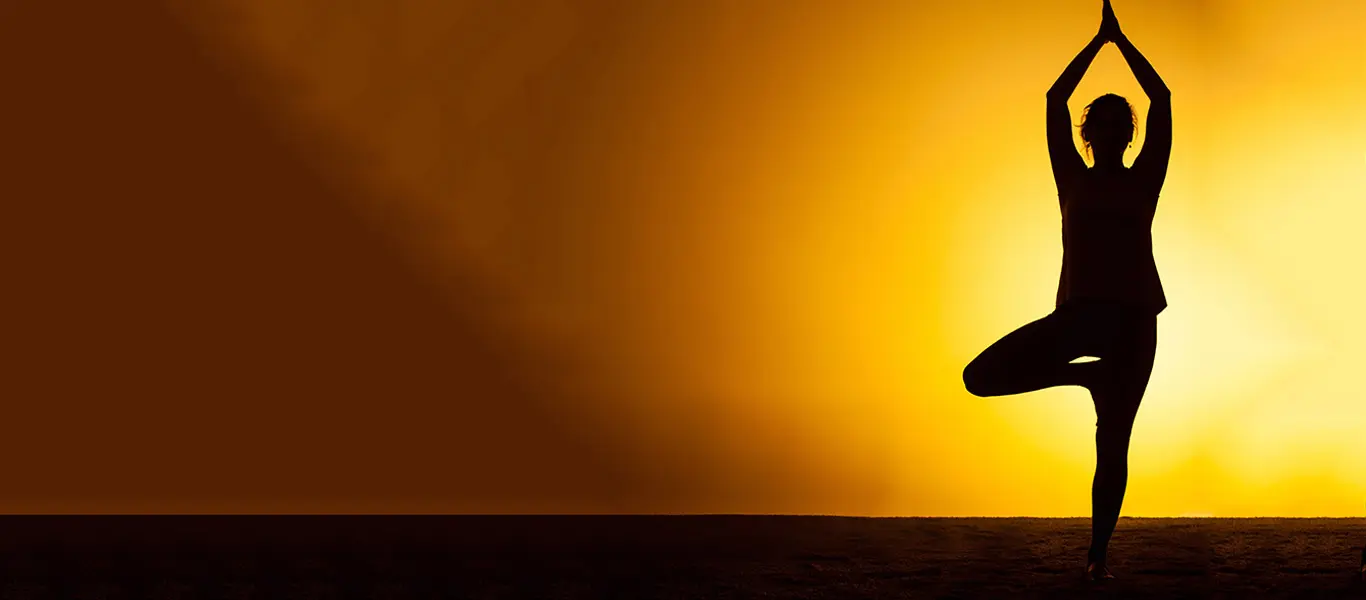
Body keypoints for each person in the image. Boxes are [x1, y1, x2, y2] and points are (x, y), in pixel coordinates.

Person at [960, 0, 1171, 582]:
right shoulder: (1070, 179)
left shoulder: (1143, 180)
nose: (1109, 130)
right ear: (1087, 133)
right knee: (979, 377)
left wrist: (1122, 43)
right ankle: (1085, 376)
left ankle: (1097, 556)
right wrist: (1097, 44)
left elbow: (1164, 101)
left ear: (1128, 134)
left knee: (1114, 442)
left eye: (1118, 124)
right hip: (1079, 315)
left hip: (1133, 320)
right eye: (1099, 123)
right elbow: (1055, 100)